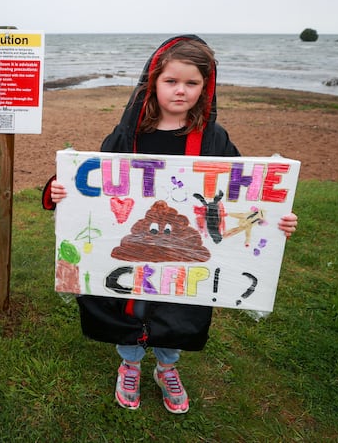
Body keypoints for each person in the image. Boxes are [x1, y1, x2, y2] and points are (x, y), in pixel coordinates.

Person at [43, 35, 298, 414]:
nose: (181, 91)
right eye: (171, 81)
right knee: (125, 305)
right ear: (154, 82)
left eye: (192, 83)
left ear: (206, 87)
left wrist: (272, 217)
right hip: (134, 249)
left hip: (189, 255)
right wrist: (60, 190)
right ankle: (129, 363)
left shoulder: (215, 139)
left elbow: (245, 194)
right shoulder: (127, 136)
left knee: (180, 308)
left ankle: (166, 367)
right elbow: (92, 181)